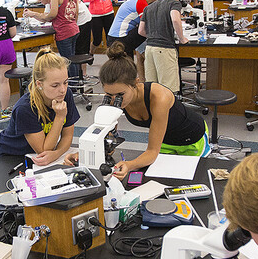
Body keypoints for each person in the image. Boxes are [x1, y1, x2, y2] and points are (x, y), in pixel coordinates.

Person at [65, 42, 206, 177]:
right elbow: (109, 137)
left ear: (136, 83)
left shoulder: (159, 97)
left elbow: (152, 151)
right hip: (165, 142)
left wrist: (129, 165)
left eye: (120, 95)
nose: (114, 100)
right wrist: (83, 154)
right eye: (109, 95)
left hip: (191, 139)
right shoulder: (117, 99)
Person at [0, 48, 78, 164]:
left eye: (65, 82)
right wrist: (60, 117)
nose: (63, 90)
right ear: (39, 84)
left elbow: (67, 137)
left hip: (33, 157)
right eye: (55, 85)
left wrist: (56, 154)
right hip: (7, 158)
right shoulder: (25, 108)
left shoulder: (65, 95)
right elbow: (44, 150)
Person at [23, 0, 80, 78]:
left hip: (63, 33)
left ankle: (72, 86)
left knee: (67, 61)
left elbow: (51, 15)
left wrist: (35, 14)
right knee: (72, 59)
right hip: (74, 30)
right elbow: (76, 13)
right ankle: (76, 83)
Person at [108, 0, 162, 81]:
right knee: (148, 36)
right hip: (119, 39)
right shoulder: (142, 3)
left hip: (117, 36)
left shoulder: (140, 0)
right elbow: (147, 27)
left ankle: (144, 61)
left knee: (128, 71)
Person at [139, 0, 188, 93]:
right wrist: (181, 38)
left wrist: (154, 35)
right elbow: (175, 19)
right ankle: (169, 111)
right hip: (164, 49)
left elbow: (141, 31)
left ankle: (154, 110)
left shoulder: (149, 7)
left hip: (149, 49)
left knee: (152, 88)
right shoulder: (174, 3)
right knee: (168, 90)